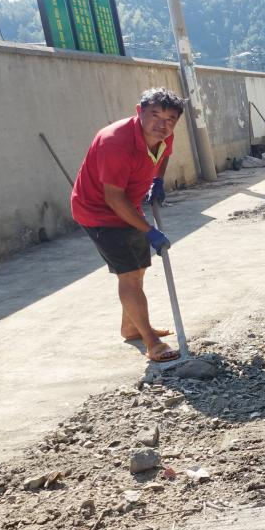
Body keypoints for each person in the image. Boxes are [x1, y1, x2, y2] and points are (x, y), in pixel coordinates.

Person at [70, 87, 183, 363]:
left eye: (170, 119)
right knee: (129, 274)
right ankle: (151, 342)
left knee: (139, 268)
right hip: (98, 211)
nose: (162, 124)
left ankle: (131, 326)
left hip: (128, 206)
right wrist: (149, 230)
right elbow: (113, 198)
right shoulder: (115, 143)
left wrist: (157, 179)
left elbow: (164, 153)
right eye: (155, 115)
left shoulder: (162, 134)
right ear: (139, 112)